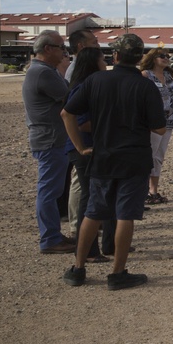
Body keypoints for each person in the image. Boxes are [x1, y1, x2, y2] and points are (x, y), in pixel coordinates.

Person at [61, 33, 166, 291]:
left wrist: (80, 147)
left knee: (93, 213)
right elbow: (160, 128)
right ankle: (118, 273)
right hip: (134, 158)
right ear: (140, 57)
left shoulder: (96, 80)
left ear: (115, 56)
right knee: (125, 215)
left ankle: (78, 268)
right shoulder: (145, 86)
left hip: (103, 156)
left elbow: (67, 113)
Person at [23, 30, 75, 254]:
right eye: (61, 48)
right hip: (50, 140)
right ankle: (50, 239)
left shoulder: (44, 71)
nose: (64, 52)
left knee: (51, 189)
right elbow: (70, 97)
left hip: (51, 138)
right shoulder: (43, 73)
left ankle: (53, 234)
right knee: (49, 190)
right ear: (47, 49)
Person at [66, 47, 114, 262]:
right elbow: (79, 121)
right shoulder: (82, 87)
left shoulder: (91, 85)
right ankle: (88, 251)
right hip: (85, 149)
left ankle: (105, 245)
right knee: (89, 198)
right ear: (93, 63)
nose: (105, 63)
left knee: (98, 197)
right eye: (103, 60)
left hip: (93, 147)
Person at [64, 29, 100, 234]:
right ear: (81, 46)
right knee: (81, 184)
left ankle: (89, 224)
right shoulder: (78, 72)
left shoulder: (84, 71)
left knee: (86, 184)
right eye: (94, 42)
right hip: (82, 140)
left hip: (88, 138)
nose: (97, 44)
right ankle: (79, 227)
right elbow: (70, 113)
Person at [140, 48, 173, 204]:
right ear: (152, 58)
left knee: (158, 157)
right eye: (161, 56)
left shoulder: (169, 76)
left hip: (168, 122)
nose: (165, 58)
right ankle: (141, 191)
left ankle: (153, 190)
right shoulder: (146, 75)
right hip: (152, 123)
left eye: (167, 56)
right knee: (148, 155)